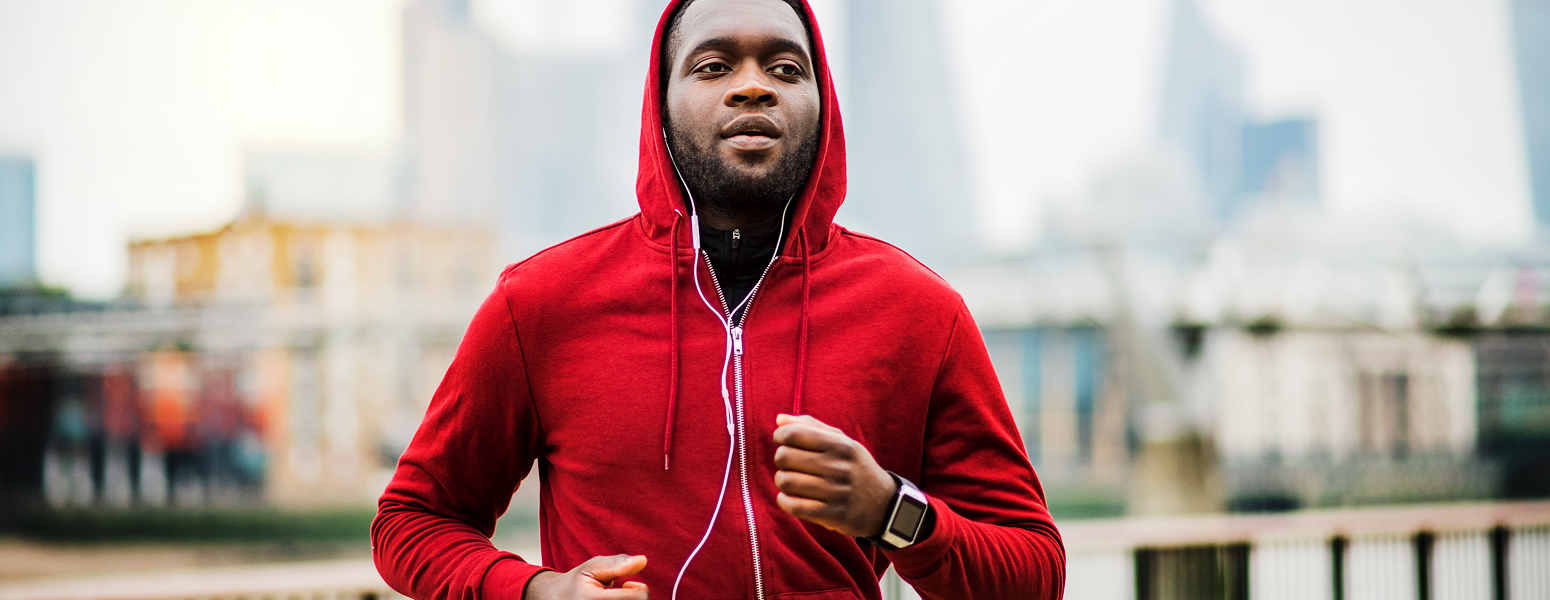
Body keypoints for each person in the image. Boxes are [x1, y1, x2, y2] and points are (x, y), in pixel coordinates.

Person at [371, 0, 1065, 598]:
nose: (752, 87)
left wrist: (890, 510)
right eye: (713, 66)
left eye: (786, 69)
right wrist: (538, 589)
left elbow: (1037, 571)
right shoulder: (541, 304)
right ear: (661, 104)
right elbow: (410, 523)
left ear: (823, 105)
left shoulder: (918, 312)